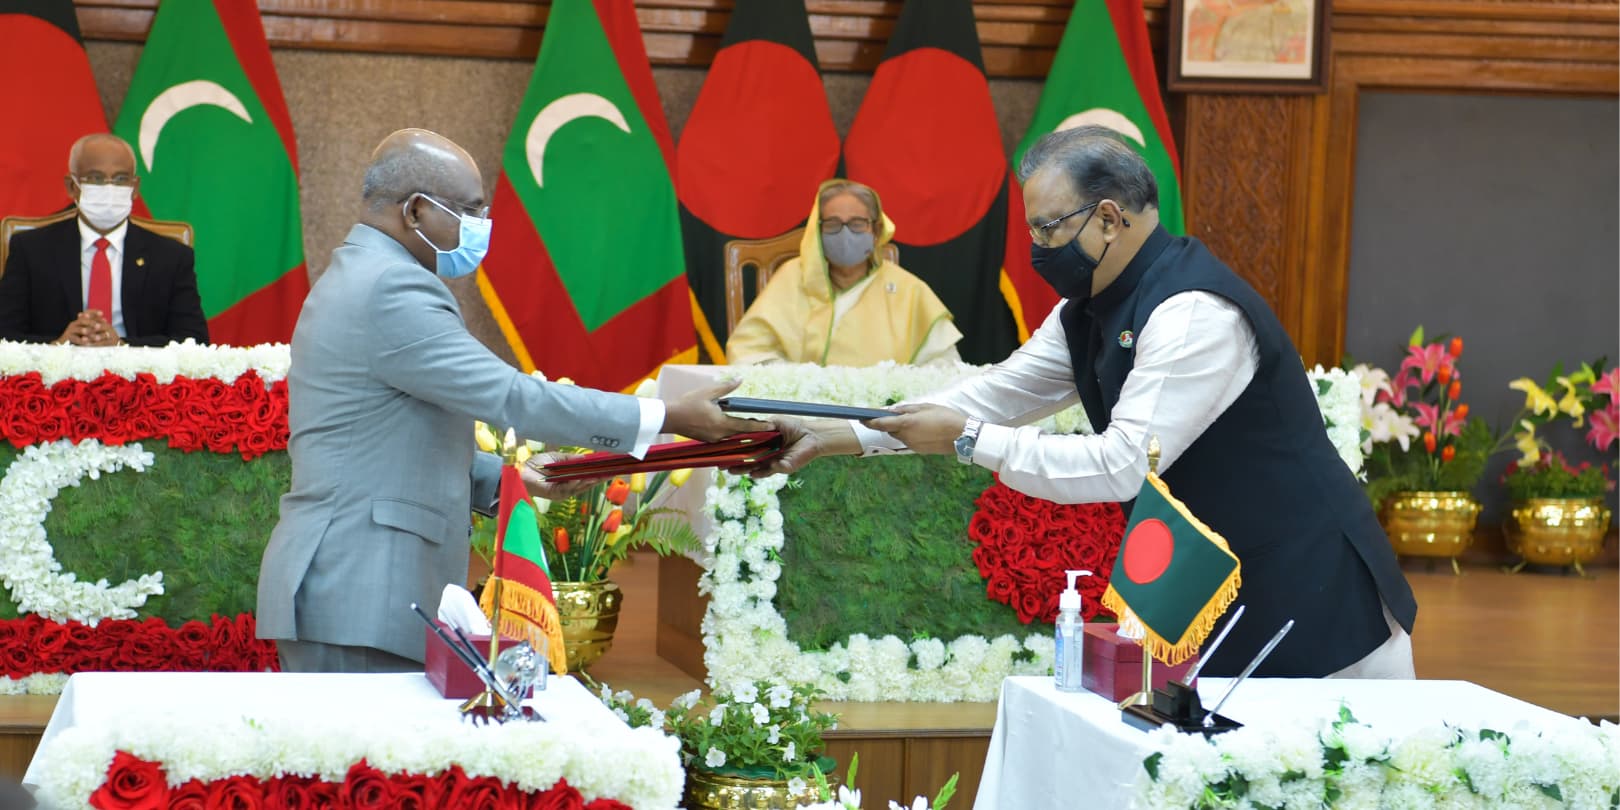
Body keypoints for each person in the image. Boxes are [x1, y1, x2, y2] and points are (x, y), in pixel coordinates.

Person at [754, 127, 1417, 680]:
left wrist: (968, 440)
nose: (1038, 250)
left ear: (1107, 218)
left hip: (1318, 604)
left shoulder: (1193, 312)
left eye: (1047, 229)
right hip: (1224, 594)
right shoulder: (1088, 309)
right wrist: (835, 435)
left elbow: (1123, 464)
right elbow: (996, 394)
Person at [256, 129, 760, 673]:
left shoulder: (363, 273)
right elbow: (509, 396)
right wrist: (669, 415)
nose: (482, 227)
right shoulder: (391, 288)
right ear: (418, 212)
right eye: (470, 211)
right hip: (360, 586)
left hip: (355, 585)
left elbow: (384, 438)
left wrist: (505, 480)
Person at [725, 179, 962, 367]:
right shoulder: (791, 277)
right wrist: (800, 384)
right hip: (799, 414)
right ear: (817, 231)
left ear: (876, 230)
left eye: (857, 223)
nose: (845, 234)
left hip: (882, 420)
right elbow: (748, 353)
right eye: (833, 224)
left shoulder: (909, 290)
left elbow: (944, 368)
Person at [0, 133, 208, 347]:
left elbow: (193, 341)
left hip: (137, 376)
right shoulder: (31, 249)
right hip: (58, 376)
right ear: (72, 186)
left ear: (134, 188)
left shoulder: (170, 256)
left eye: (120, 179)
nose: (109, 188)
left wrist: (123, 347)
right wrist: (56, 345)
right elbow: (4, 335)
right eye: (95, 178)